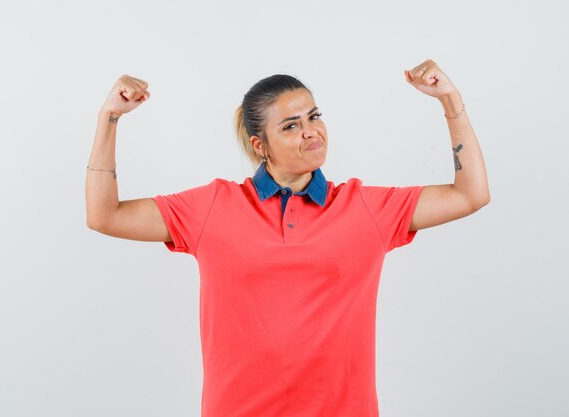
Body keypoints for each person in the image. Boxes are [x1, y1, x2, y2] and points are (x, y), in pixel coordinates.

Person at [85, 60, 491, 417]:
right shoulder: (213, 207)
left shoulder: (364, 208)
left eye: (314, 117)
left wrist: (450, 101)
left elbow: (471, 194)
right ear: (261, 146)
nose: (311, 132)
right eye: (291, 126)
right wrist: (109, 117)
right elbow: (105, 215)